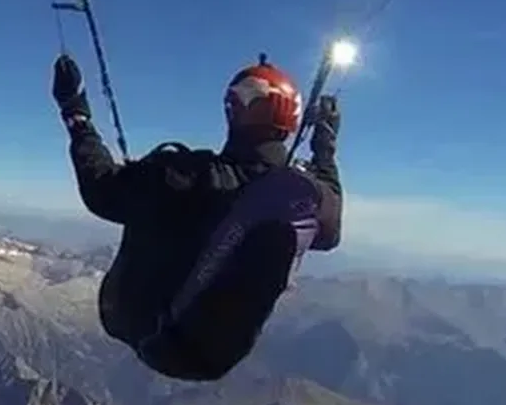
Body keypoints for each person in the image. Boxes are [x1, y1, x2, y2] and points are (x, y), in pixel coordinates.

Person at [52, 52, 344, 381]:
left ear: (233, 110)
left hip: (148, 334)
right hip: (215, 357)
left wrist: (76, 115)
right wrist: (325, 150)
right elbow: (330, 231)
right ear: (291, 120)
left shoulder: (182, 176)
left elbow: (101, 190)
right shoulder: (299, 199)